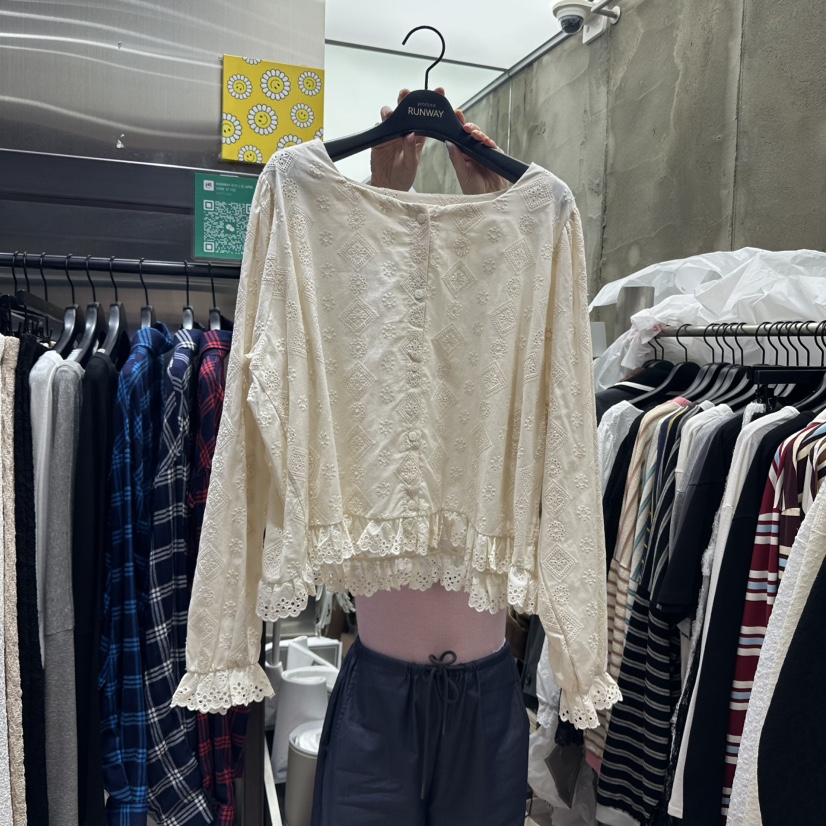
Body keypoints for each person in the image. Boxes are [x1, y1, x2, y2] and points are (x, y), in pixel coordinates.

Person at [311, 90, 529, 826]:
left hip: (487, 699)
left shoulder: (512, 315)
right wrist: (385, 198)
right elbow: (359, 342)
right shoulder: (368, 335)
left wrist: (491, 213)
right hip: (379, 694)